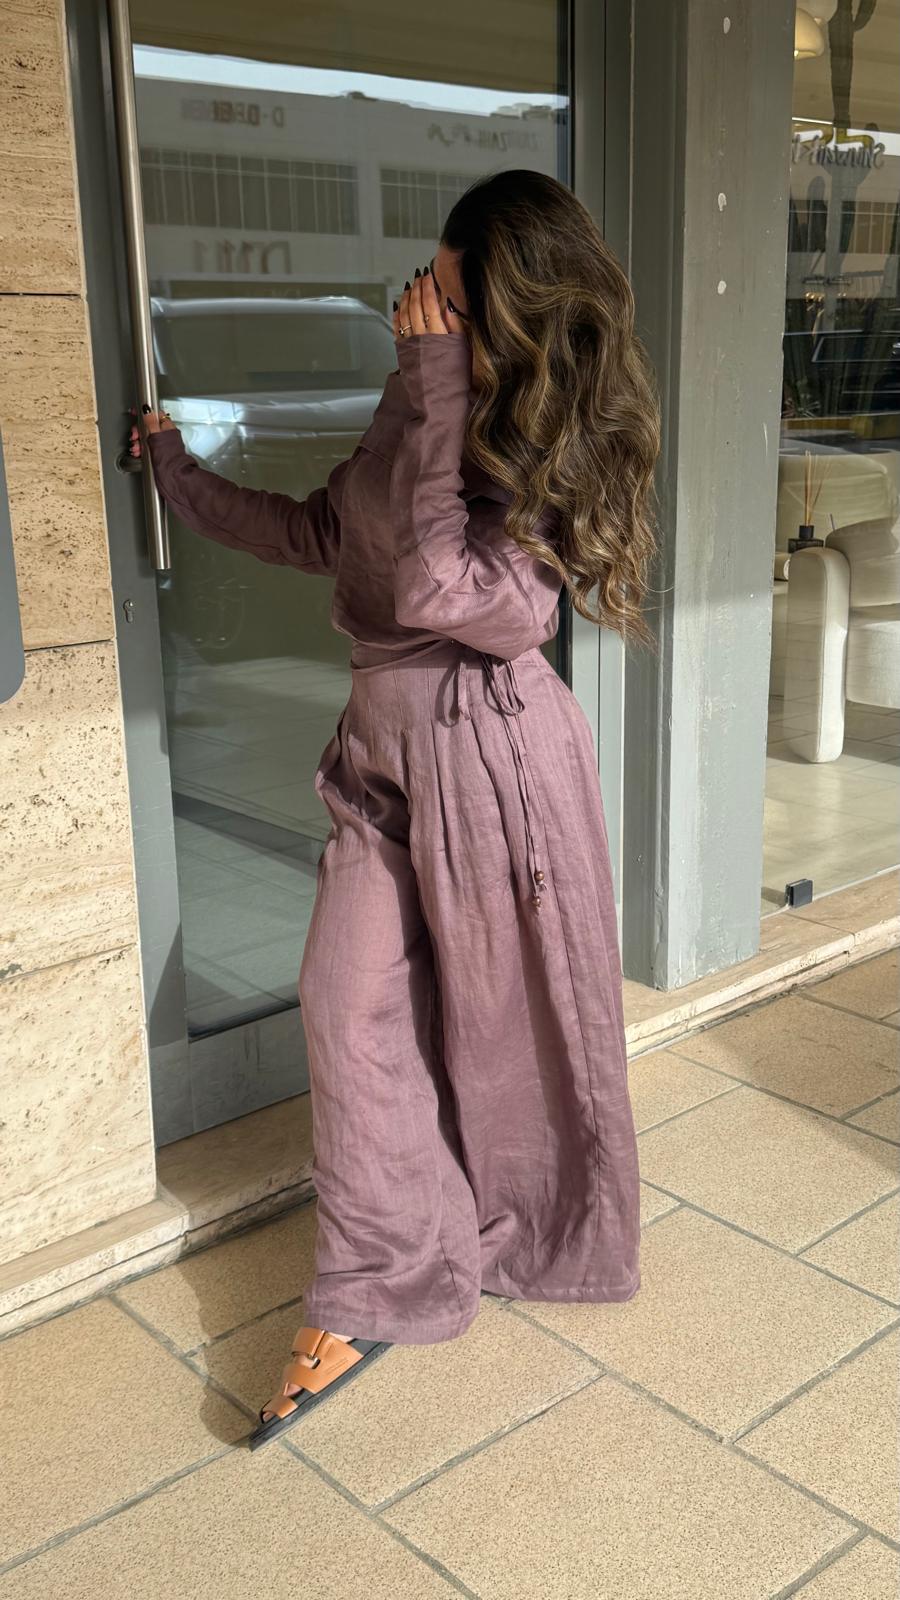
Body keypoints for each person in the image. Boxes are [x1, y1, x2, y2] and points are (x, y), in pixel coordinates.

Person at [134, 169, 661, 1451]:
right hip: (383, 755)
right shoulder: (420, 401)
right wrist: (177, 474)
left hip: (492, 762)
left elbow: (445, 591)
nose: (415, 308)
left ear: (507, 313)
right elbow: (333, 533)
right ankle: (390, 1271)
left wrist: (432, 389)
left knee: (511, 1025)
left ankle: (522, 1235)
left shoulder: (536, 434)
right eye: (420, 284)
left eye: (445, 297)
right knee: (344, 997)